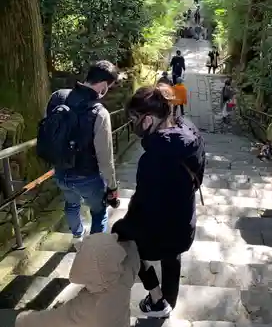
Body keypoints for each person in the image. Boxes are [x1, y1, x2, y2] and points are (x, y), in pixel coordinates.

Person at [112, 85, 206, 318]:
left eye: (135, 118)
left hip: (163, 229)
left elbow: (145, 204)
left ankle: (157, 298)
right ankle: (168, 301)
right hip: (184, 221)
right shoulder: (189, 130)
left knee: (123, 237)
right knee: (172, 254)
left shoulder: (154, 158)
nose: (133, 123)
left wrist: (124, 226)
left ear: (149, 118)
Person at [39, 61, 119, 242]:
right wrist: (112, 186)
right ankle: (94, 251)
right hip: (87, 176)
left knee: (71, 204)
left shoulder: (57, 97)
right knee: (99, 212)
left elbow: (48, 130)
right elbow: (105, 158)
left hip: (60, 171)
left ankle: (77, 236)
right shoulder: (100, 112)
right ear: (104, 85)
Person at [15, 233, 140, 327]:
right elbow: (132, 253)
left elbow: (49, 320)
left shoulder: (84, 308)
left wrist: (22, 318)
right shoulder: (123, 276)